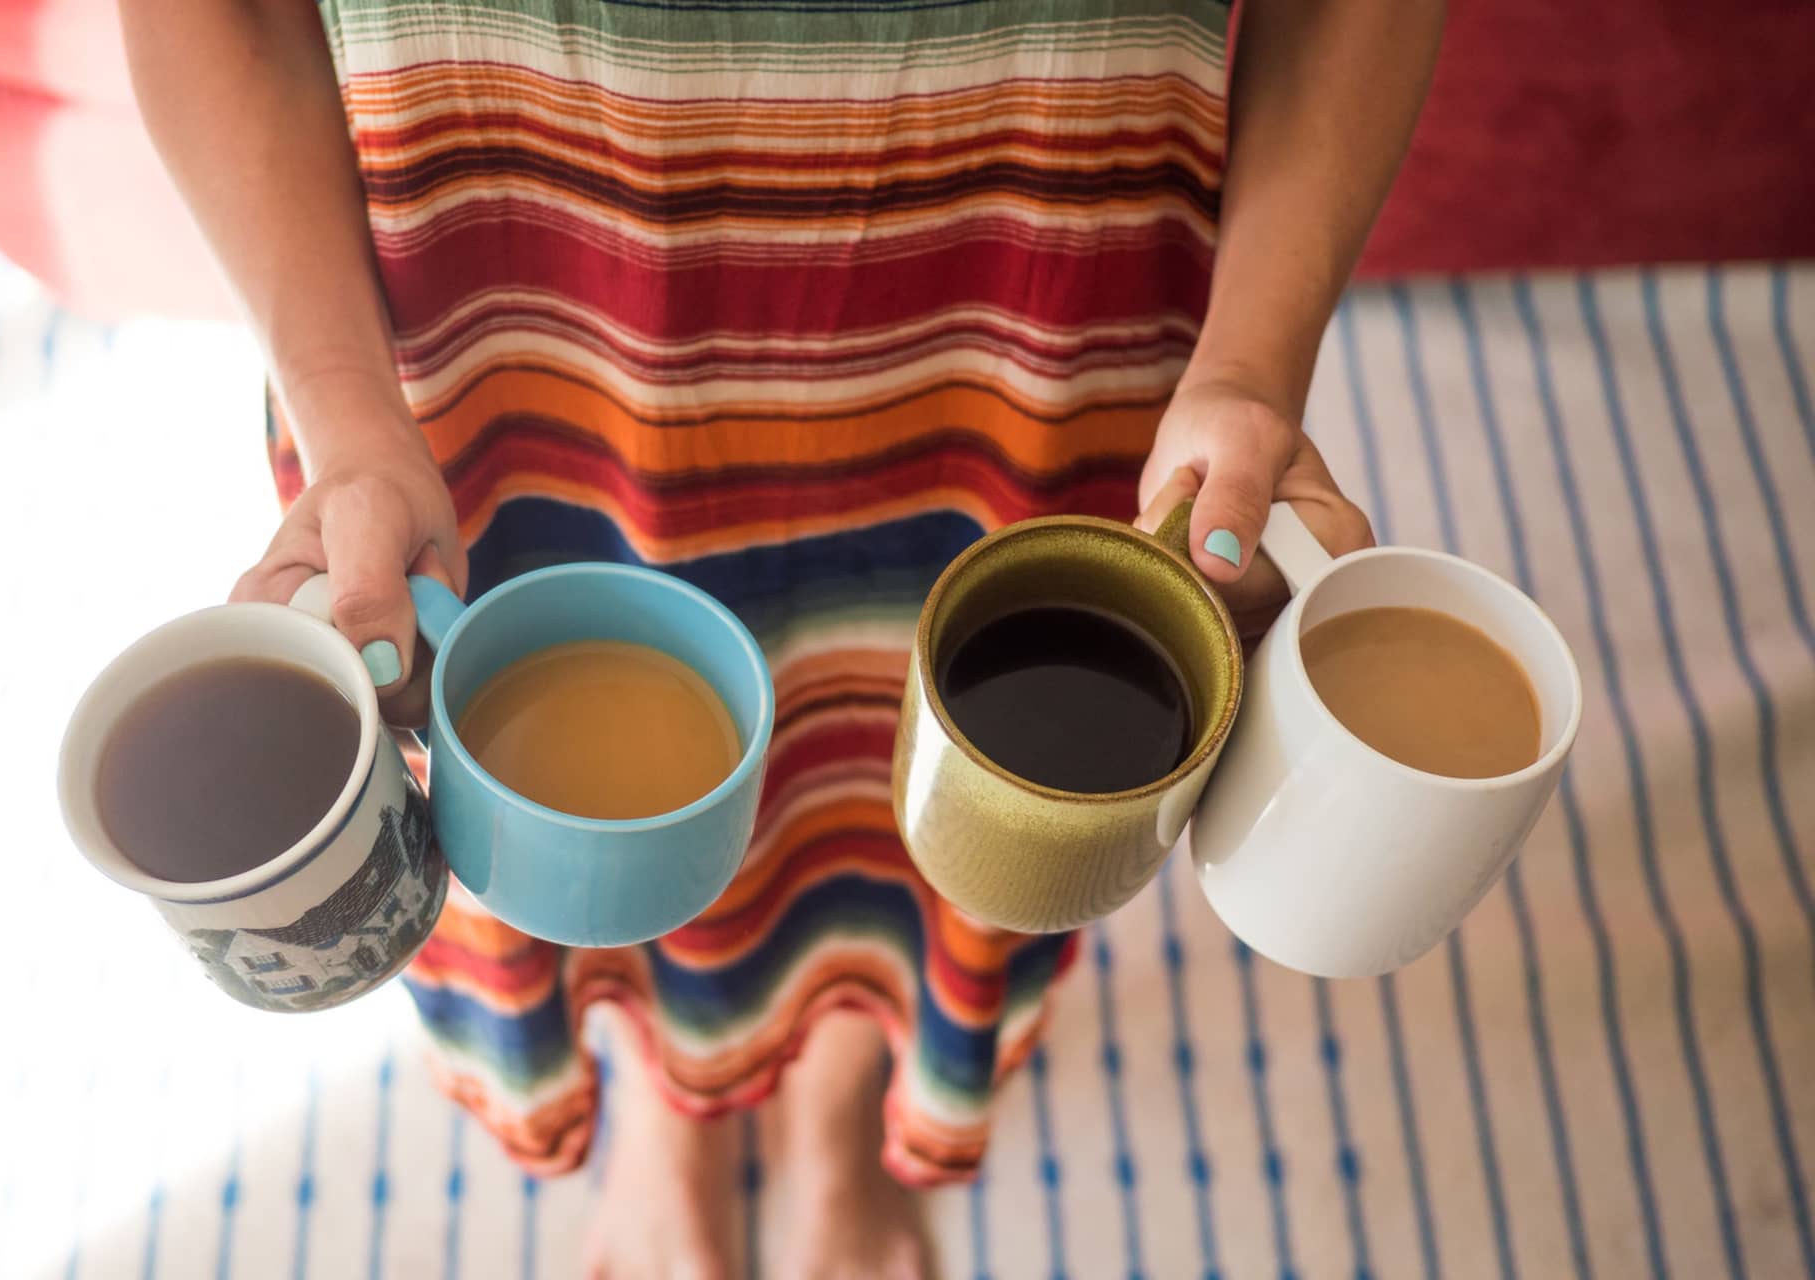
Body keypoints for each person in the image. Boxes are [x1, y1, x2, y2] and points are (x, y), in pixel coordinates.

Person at [121, 0, 1440, 1273]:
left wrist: (1254, 368)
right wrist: (346, 412)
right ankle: (670, 1108)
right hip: (498, 341)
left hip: (1026, 321)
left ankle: (840, 1092)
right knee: (552, 804)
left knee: (961, 777)